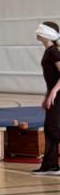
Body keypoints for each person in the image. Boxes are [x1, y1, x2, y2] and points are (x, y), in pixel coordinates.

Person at [35, 21, 60, 174]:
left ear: (48, 34)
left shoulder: (54, 52)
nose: (37, 33)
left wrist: (54, 91)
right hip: (54, 94)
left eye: (40, 31)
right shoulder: (49, 51)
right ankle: (50, 165)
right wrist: (48, 95)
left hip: (58, 94)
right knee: (49, 128)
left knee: (54, 129)